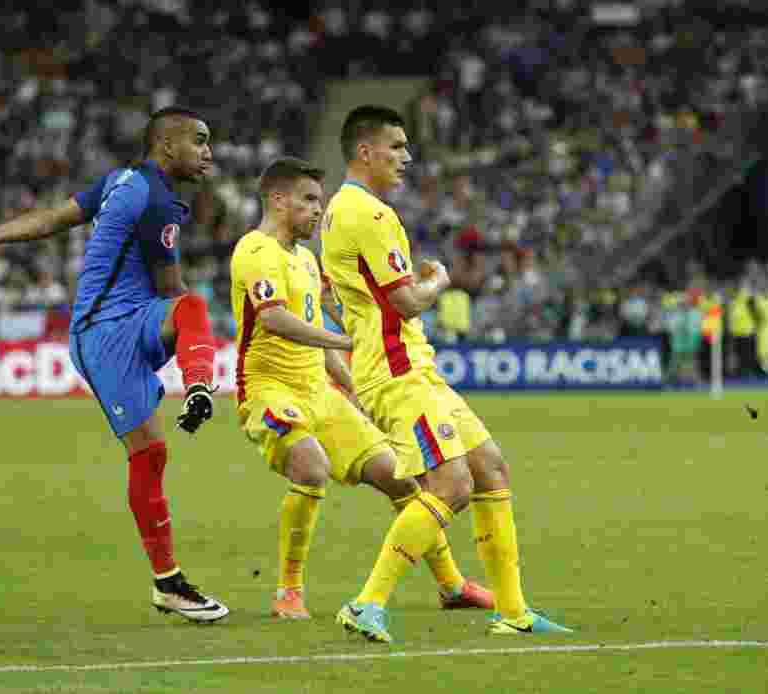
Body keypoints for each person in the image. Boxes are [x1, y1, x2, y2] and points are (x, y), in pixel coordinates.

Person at [0, 107, 229, 623]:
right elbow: (172, 289)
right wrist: (204, 344)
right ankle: (169, 583)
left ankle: (199, 388)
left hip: (129, 319)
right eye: (200, 141)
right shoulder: (158, 201)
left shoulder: (121, 181)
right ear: (166, 147)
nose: (209, 152)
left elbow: (52, 220)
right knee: (152, 444)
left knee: (155, 449)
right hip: (103, 336)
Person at [320, 105, 573, 641]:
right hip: (397, 371)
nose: (406, 158)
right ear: (365, 152)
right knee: (452, 485)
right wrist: (441, 280)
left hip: (412, 367)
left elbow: (346, 299)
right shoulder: (369, 214)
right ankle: (366, 603)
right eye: (397, 146)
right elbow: (409, 301)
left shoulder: (339, 212)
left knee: (491, 469)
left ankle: (514, 612)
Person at [231, 157, 492, 623]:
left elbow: (315, 330)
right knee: (311, 467)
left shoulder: (307, 261)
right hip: (269, 391)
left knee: (404, 478)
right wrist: (346, 339)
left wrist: (354, 390)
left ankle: (452, 585)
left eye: (320, 199)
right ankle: (288, 592)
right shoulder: (254, 251)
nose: (317, 209)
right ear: (277, 199)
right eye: (308, 199)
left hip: (320, 390)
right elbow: (273, 319)